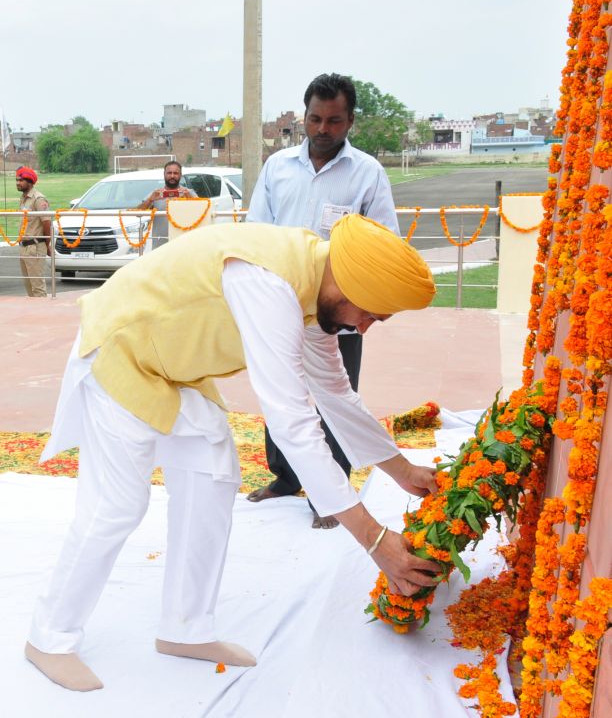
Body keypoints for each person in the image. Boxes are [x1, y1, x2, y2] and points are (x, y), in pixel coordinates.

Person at [25, 214, 439, 692]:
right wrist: (372, 538)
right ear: (349, 283)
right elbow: (290, 420)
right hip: (120, 351)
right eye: (369, 314)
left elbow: (333, 393)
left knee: (214, 478)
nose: (363, 329)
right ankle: (49, 637)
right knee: (116, 507)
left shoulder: (314, 287)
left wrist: (401, 469)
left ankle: (185, 628)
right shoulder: (267, 281)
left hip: (172, 369)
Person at [246, 73, 399, 529]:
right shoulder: (278, 167)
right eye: (315, 119)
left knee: (336, 396)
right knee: (281, 391)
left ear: (350, 120)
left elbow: (383, 241)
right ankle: (286, 477)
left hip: (338, 307)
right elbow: (257, 231)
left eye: (334, 121)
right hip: (282, 304)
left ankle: (329, 494)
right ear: (304, 117)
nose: (322, 129)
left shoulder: (367, 173)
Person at [138, 160, 197, 248]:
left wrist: (190, 198)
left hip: (184, 244)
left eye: (175, 173)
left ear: (180, 175)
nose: (172, 176)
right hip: (160, 245)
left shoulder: (189, 193)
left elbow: (202, 213)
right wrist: (150, 200)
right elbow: (137, 212)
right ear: (164, 174)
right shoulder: (156, 194)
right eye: (169, 173)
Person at [16, 166, 51, 297]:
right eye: (17, 180)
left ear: (29, 182)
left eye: (21, 180)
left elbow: (46, 222)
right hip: (24, 246)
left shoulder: (38, 199)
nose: (18, 183)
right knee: (29, 288)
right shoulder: (24, 198)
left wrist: (47, 245)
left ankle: (44, 316)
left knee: (37, 288)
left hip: (35, 246)